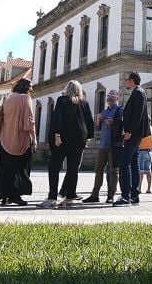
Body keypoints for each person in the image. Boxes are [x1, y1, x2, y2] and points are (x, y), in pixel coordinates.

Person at [42, 80, 95, 208]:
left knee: (54, 167)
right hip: (79, 139)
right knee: (73, 169)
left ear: (67, 89)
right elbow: (89, 122)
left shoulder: (62, 100)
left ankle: (52, 198)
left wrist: (57, 135)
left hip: (64, 138)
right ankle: (70, 197)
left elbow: (57, 118)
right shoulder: (84, 103)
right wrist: (88, 138)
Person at [0, 79, 36, 206]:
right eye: (31, 87)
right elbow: (29, 122)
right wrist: (34, 138)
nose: (31, 89)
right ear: (26, 88)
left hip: (5, 139)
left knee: (5, 168)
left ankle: (4, 196)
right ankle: (16, 196)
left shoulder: (9, 97)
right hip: (21, 139)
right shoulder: (25, 98)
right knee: (21, 168)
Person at [114, 71, 147, 206]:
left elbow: (137, 115)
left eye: (126, 79)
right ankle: (134, 195)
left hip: (133, 134)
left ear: (132, 80)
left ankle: (125, 196)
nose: (125, 81)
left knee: (124, 163)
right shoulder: (136, 92)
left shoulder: (138, 93)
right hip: (135, 134)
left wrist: (129, 131)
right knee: (133, 163)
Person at [83, 91, 122, 203]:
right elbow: (98, 128)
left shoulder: (120, 110)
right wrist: (98, 121)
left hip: (114, 145)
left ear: (117, 98)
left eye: (112, 96)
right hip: (103, 145)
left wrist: (113, 122)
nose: (110, 98)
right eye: (108, 96)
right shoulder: (104, 112)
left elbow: (124, 125)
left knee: (113, 171)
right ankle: (94, 195)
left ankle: (110, 196)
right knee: (98, 170)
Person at [138, 121, 152, 194]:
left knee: (140, 170)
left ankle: (138, 188)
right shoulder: (151, 128)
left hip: (142, 151)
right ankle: (148, 189)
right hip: (149, 151)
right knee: (148, 170)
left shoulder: (143, 127)